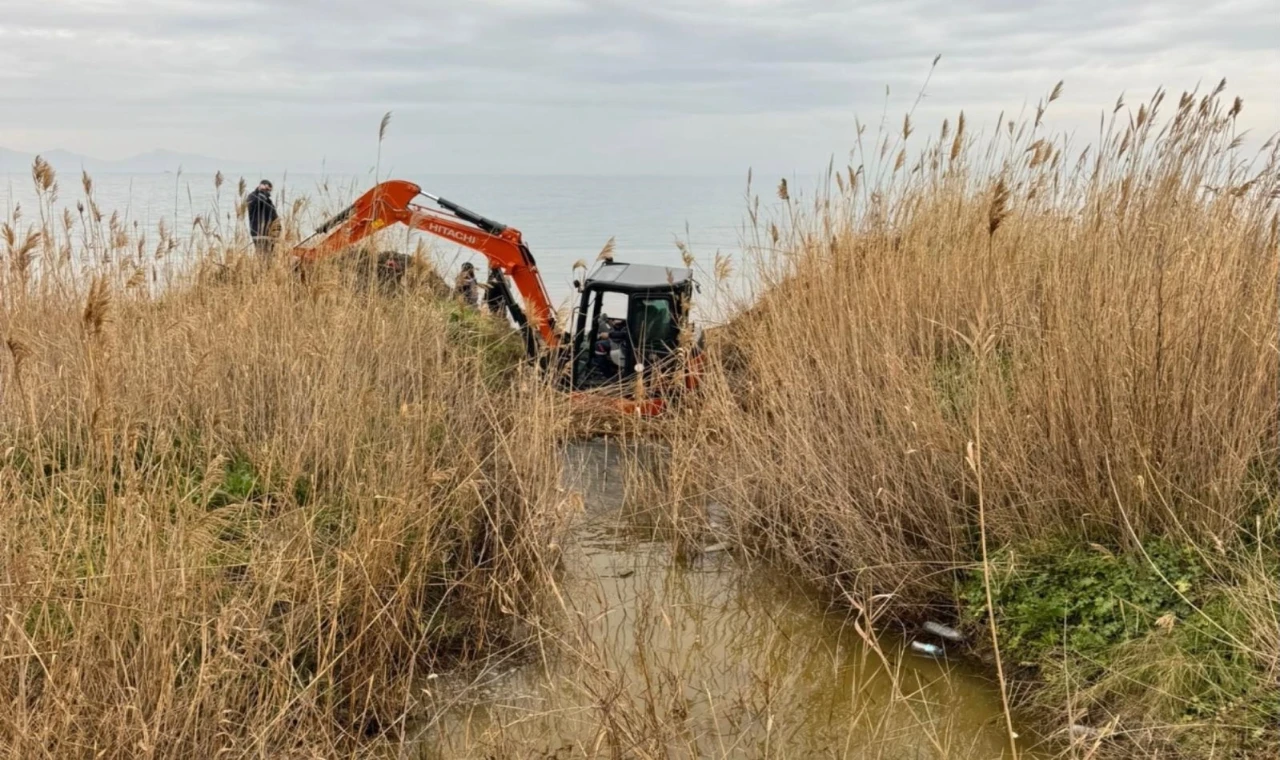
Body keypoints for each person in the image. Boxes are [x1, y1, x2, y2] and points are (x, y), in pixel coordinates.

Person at [246, 180, 279, 256]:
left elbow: (274, 215)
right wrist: (261, 191)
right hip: (258, 232)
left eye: (269, 191)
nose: (268, 192)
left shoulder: (268, 201)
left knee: (270, 256)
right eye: (266, 190)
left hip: (269, 234)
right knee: (262, 256)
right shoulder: (252, 197)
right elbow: (258, 202)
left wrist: (277, 230)